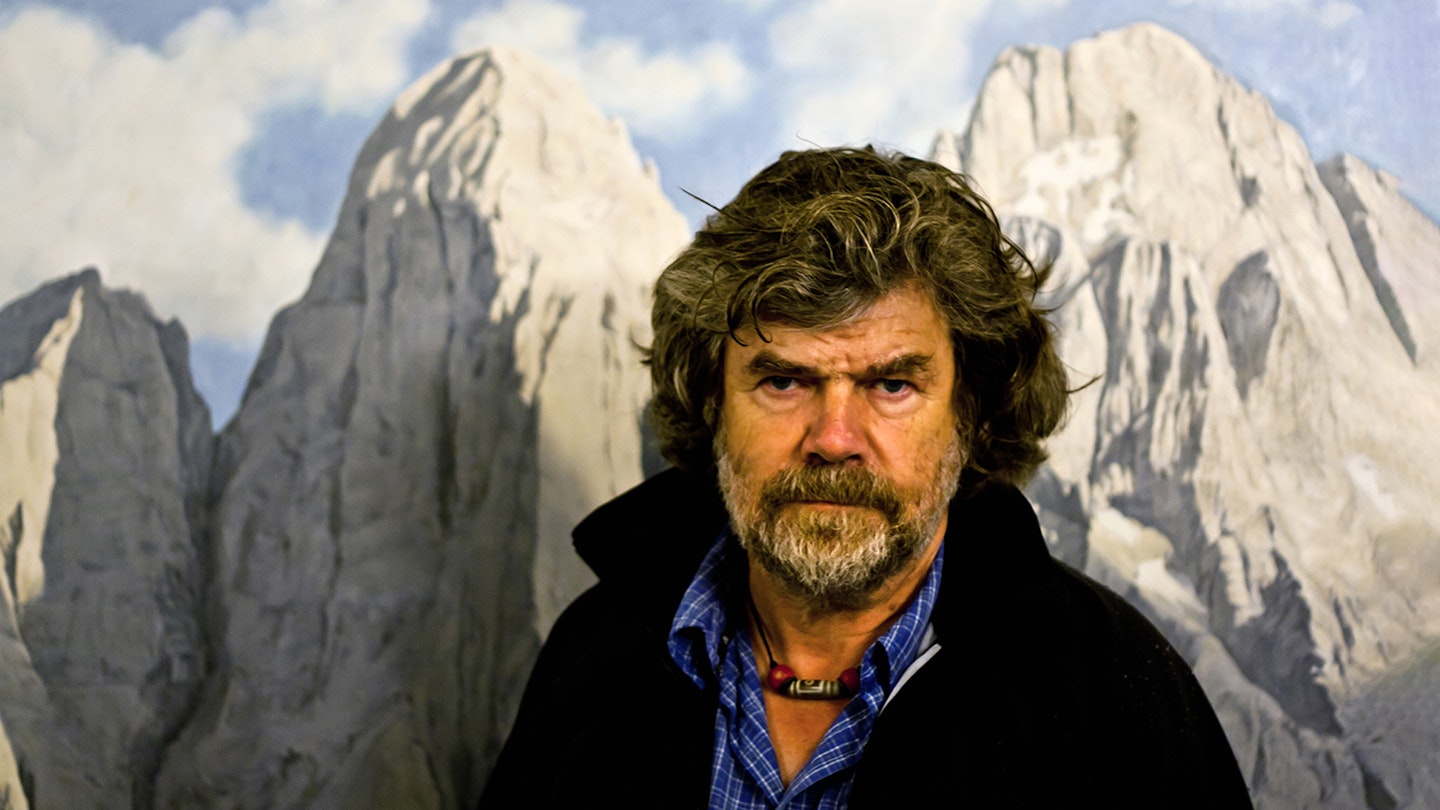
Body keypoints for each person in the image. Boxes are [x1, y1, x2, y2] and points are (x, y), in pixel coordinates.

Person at [479, 147, 1252, 808]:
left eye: (891, 386)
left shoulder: (1117, 697)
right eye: (783, 382)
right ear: (712, 400)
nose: (834, 440)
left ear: (971, 414)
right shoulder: (596, 651)